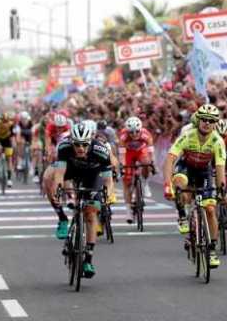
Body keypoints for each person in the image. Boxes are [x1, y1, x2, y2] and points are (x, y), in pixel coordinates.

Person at [163, 104, 227, 268]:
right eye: (204, 119)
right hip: (186, 167)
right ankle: (183, 215)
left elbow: (220, 168)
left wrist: (222, 190)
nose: (207, 123)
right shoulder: (187, 135)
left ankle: (212, 250)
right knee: (181, 185)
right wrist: (167, 185)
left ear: (215, 123)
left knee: (211, 210)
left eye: (211, 120)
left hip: (204, 172)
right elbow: (170, 158)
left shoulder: (218, 141)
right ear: (198, 120)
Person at [48, 123, 113, 278]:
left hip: (93, 175)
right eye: (77, 144)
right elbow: (59, 174)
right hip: (73, 170)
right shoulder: (64, 147)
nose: (80, 148)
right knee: (47, 178)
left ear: (90, 142)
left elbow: (108, 181)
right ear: (71, 142)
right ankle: (64, 220)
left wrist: (108, 195)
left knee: (91, 214)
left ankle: (88, 260)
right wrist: (57, 190)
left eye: (84, 145)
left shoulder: (101, 151)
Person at [118, 116, 155, 224]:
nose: (134, 134)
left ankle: (146, 184)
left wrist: (152, 163)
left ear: (140, 129)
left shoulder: (146, 134)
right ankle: (128, 211)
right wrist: (123, 166)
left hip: (140, 151)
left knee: (147, 163)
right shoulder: (123, 136)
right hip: (128, 153)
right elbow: (121, 154)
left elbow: (151, 151)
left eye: (136, 132)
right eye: (131, 132)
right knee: (127, 181)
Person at [0, 112, 16, 187]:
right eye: (3, 121)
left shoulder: (11, 125)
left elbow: (12, 136)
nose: (5, 123)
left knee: (9, 159)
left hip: (7, 140)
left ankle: (9, 179)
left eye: (6, 121)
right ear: (0, 120)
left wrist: (14, 144)